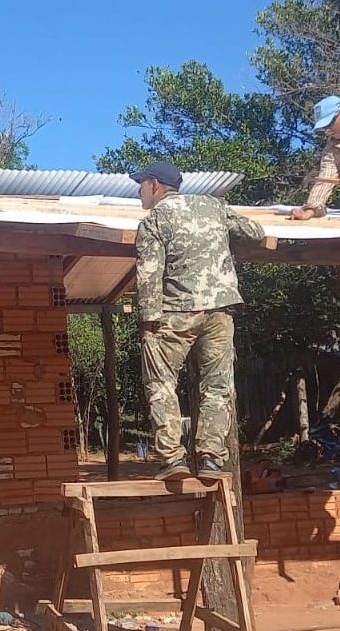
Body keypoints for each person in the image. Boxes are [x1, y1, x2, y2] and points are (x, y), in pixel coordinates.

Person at [132, 161, 265, 481]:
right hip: (220, 312)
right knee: (217, 386)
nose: (138, 192)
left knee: (161, 381)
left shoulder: (154, 220)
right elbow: (256, 233)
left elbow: (149, 274)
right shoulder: (214, 206)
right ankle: (210, 459)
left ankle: (172, 458)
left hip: (177, 313)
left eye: (141, 186)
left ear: (154, 186)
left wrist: (149, 321)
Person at [290, 95, 340, 221]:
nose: (327, 131)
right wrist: (310, 211)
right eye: (324, 128)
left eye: (329, 123)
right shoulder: (332, 148)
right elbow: (326, 179)